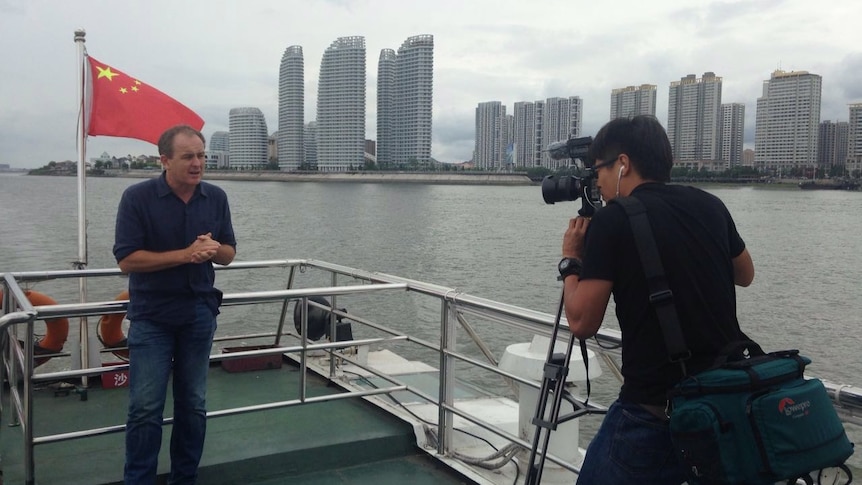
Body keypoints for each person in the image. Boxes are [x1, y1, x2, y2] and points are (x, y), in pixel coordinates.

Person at [559, 115, 755, 485]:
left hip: (652, 412)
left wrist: (571, 260)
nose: (596, 182)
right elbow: (745, 275)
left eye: (599, 169)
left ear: (623, 164)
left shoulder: (613, 220)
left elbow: (582, 323)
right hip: (719, 404)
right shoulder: (710, 205)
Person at [114, 124, 237, 484]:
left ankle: (184, 478)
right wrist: (186, 255)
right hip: (152, 316)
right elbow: (127, 260)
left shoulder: (215, 198)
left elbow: (229, 253)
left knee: (193, 405)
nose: (197, 163)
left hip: (199, 314)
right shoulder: (137, 198)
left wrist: (214, 250)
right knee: (145, 408)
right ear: (165, 160)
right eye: (188, 157)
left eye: (202, 156)